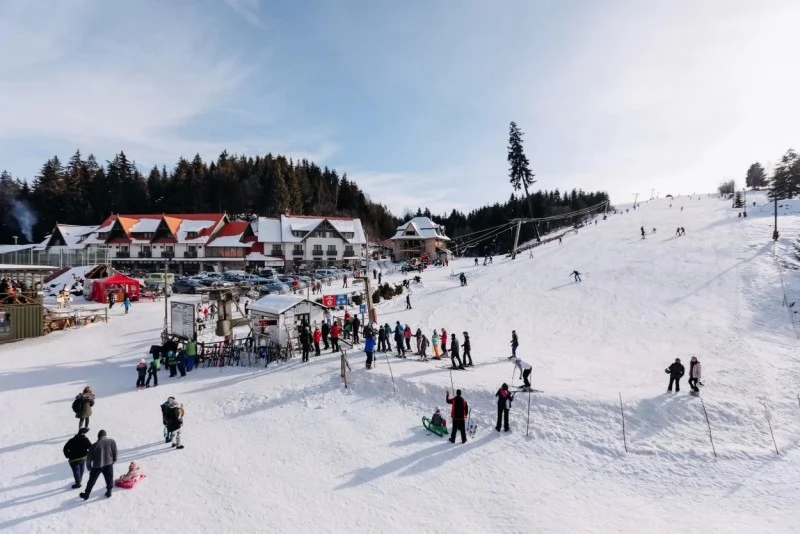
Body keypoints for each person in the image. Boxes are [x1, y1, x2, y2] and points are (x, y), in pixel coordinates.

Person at [79, 429, 117, 500]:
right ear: (105, 435)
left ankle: (86, 494)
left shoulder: (94, 446)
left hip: (97, 466)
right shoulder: (112, 441)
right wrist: (114, 460)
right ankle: (109, 492)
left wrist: (89, 467)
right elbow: (115, 451)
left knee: (92, 480)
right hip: (109, 464)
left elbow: (89, 458)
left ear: (98, 437)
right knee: (109, 478)